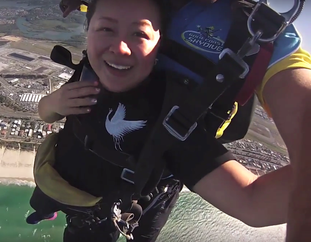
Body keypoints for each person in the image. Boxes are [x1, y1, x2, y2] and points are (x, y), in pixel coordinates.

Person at [28, 0, 311, 241]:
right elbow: (251, 203)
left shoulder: (260, 34)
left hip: (159, 170)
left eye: (138, 35)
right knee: (57, 204)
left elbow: (252, 201)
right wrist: (53, 103)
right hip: (80, 166)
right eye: (106, 29)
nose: (122, 48)